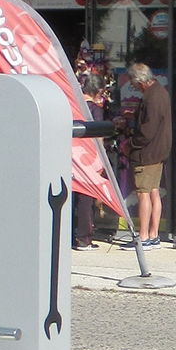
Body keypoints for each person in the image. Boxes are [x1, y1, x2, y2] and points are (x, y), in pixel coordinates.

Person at [126, 58, 171, 245]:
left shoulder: (151, 97)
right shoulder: (160, 92)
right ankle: (153, 234)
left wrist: (130, 142)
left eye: (134, 83)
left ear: (140, 81)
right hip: (159, 151)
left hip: (147, 152)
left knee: (143, 193)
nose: (133, 86)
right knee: (154, 192)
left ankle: (143, 236)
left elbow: (148, 130)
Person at [73, 42, 112, 247]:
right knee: (87, 197)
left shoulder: (76, 107)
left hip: (75, 156)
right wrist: (102, 159)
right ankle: (84, 238)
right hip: (90, 158)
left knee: (76, 195)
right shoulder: (94, 110)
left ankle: (74, 235)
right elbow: (97, 136)